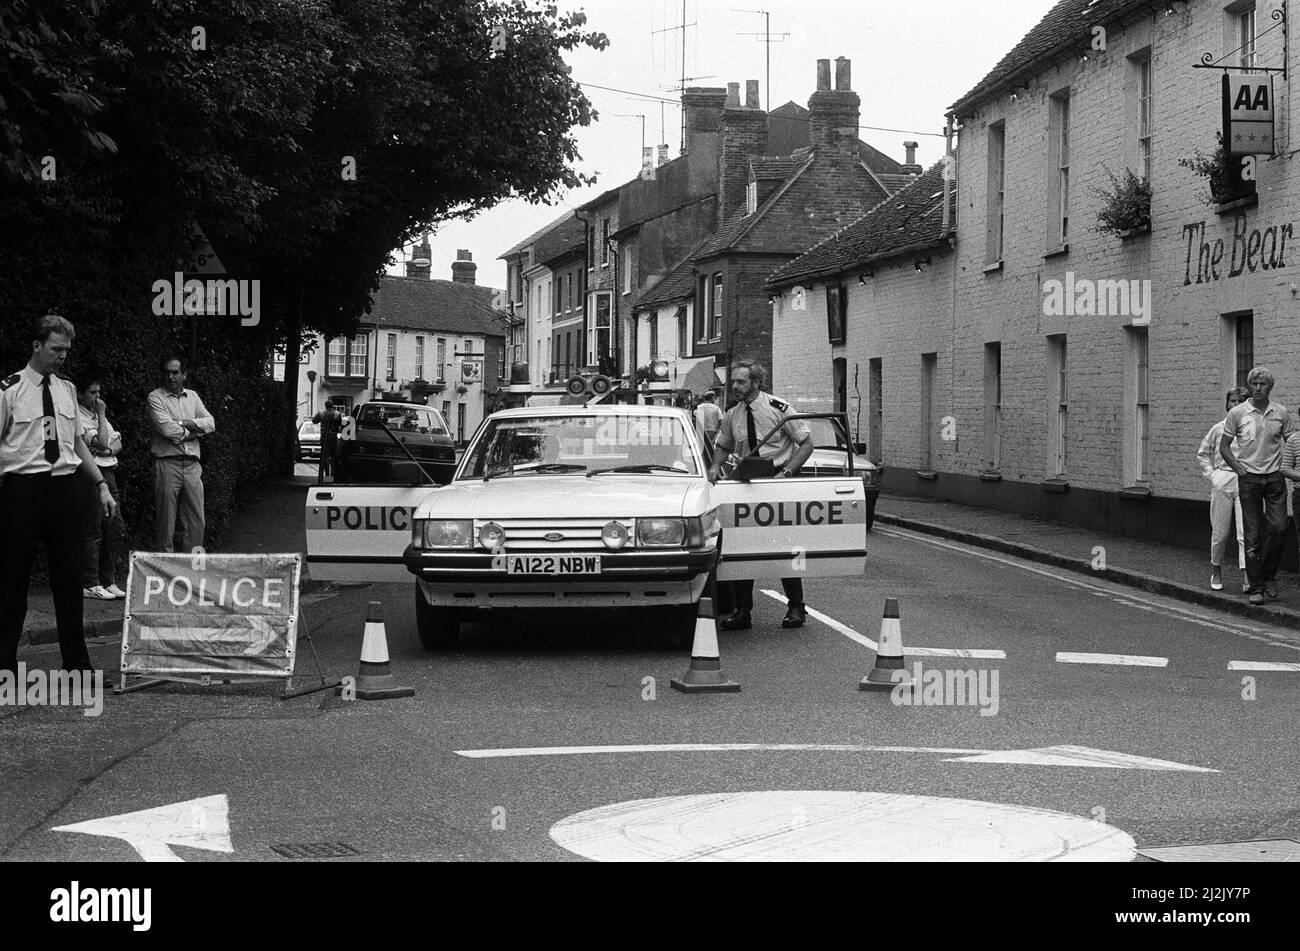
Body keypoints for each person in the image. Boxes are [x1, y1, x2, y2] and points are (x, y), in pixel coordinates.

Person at [0, 314, 119, 676]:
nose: (63, 356)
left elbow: (76, 443)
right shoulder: (10, 390)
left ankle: (77, 665)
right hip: (23, 490)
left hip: (65, 488)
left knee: (69, 579)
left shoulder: (66, 390)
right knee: (11, 580)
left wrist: (100, 484)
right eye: (56, 349)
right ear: (37, 346)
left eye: (67, 350)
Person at [707, 360, 814, 630]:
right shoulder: (732, 414)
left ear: (756, 382)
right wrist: (714, 466)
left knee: (784, 546)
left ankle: (796, 607)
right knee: (743, 546)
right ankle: (744, 610)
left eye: (740, 382)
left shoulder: (779, 409)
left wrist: (787, 472)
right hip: (748, 484)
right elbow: (724, 444)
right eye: (733, 381)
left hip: (778, 482)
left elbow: (807, 444)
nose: (734, 386)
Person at [1220, 366, 1297, 605]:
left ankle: (1268, 575)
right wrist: (1240, 470)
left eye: (1263, 384)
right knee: (1252, 535)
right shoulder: (1238, 413)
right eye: (1254, 384)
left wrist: (1289, 468)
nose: (1258, 388)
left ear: (1270, 387)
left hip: (1275, 478)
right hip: (1249, 479)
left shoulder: (1281, 413)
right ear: (1250, 386)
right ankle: (1257, 587)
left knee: (1279, 528)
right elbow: (1225, 447)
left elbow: (1292, 442)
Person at [147, 353, 215, 553]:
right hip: (166, 463)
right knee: (165, 522)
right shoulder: (155, 397)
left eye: (175, 372)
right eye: (167, 372)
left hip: (193, 465)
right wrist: (195, 430)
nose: (170, 377)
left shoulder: (193, 397)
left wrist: (182, 424)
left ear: (184, 374)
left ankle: (192, 570)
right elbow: (167, 430)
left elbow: (211, 423)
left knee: (196, 520)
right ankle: (165, 571)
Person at [75, 372, 128, 600]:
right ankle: (90, 582)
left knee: (115, 527)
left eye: (99, 392)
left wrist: (106, 448)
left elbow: (117, 444)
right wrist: (102, 415)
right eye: (93, 393)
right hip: (92, 474)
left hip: (110, 472)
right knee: (94, 528)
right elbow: (106, 442)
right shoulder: (82, 415)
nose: (98, 397)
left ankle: (109, 580)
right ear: (80, 394)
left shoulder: (96, 415)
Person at [312, 401, 343, 482]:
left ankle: (327, 473)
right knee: (334, 455)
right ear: (333, 406)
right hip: (333, 436)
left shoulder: (321, 413)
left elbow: (314, 421)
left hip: (324, 436)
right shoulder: (337, 414)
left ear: (325, 405)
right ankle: (333, 473)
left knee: (324, 456)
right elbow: (340, 424)